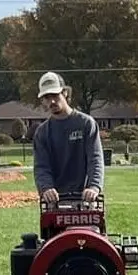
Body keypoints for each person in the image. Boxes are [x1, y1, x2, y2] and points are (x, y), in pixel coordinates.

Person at [32, 71, 104, 203]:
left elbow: (95, 158)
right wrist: (46, 188)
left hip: (86, 198)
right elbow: (41, 166)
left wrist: (94, 187)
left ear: (65, 92)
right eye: (47, 97)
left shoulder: (86, 124)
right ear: (42, 100)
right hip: (55, 201)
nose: (52, 101)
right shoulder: (42, 133)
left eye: (55, 95)